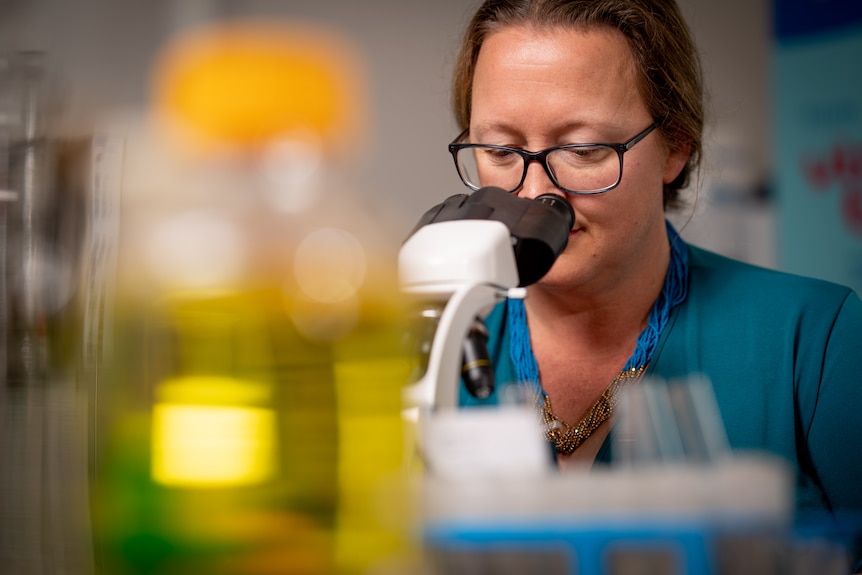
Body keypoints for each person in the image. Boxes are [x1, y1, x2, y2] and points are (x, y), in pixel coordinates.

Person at [439, 0, 862, 564]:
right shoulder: (438, 352)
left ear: (676, 146)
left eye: (584, 149)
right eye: (498, 150)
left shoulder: (815, 339)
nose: (537, 192)